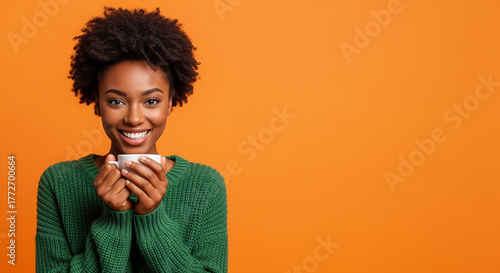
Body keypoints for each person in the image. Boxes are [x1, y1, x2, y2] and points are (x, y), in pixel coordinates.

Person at [35, 7, 227, 272]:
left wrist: (153, 219)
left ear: (170, 103)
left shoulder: (205, 185)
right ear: (97, 103)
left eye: (151, 101)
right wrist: (113, 221)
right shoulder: (58, 183)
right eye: (116, 101)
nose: (134, 118)